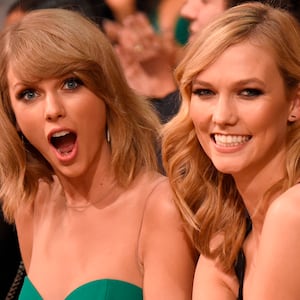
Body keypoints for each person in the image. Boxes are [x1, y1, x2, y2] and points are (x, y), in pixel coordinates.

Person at [0, 8, 196, 300]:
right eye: (29, 94)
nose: (53, 109)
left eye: (71, 83)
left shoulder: (160, 209)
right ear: (13, 117)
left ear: (107, 92)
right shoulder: (32, 202)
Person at [162, 2, 300, 299]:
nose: (222, 116)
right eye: (205, 92)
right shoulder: (230, 226)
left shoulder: (292, 213)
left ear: (295, 102)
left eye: (248, 92)